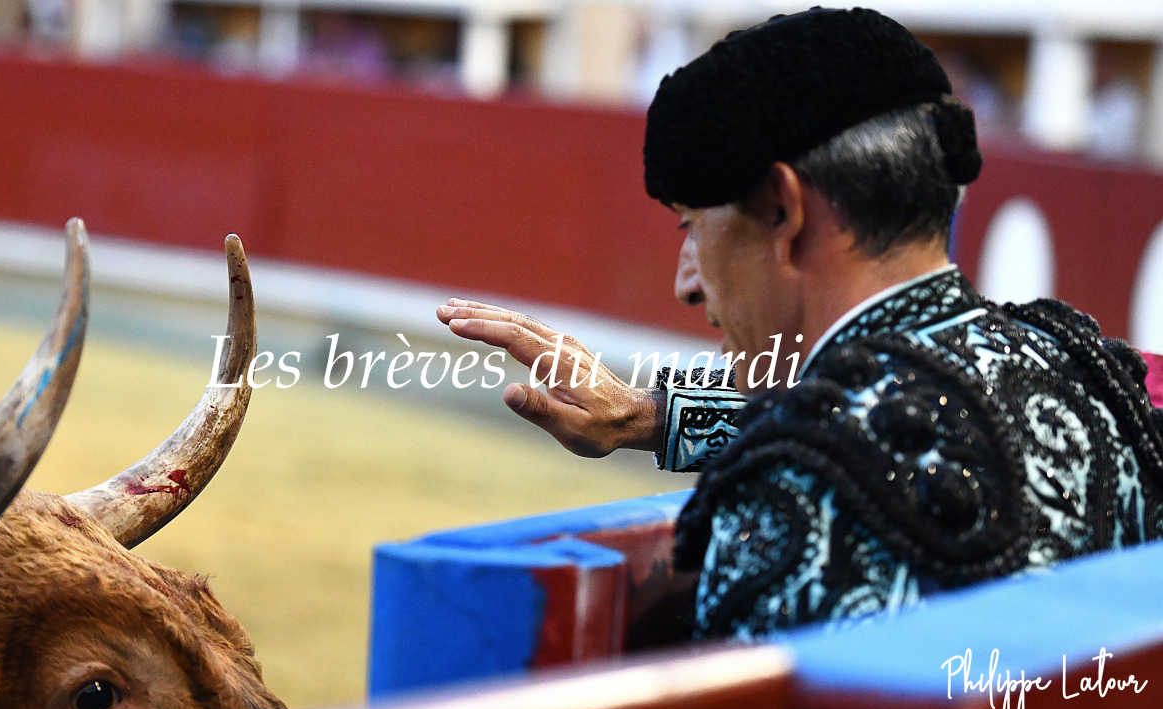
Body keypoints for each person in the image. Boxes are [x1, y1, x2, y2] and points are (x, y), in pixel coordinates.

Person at [437, 7, 1163, 641]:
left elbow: (856, 441)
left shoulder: (797, 494)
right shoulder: (1088, 373)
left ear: (784, 210)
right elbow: (913, 420)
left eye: (694, 227)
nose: (687, 281)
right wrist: (654, 418)